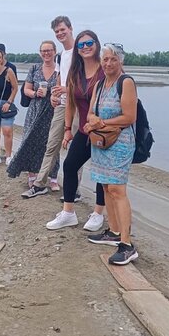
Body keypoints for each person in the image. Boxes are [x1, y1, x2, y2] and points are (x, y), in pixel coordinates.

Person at [45, 30, 107, 231]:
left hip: (104, 132)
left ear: (96, 44)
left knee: (100, 173)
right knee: (70, 165)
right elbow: (71, 101)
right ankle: (68, 213)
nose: (85, 47)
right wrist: (67, 129)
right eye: (81, 45)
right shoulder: (75, 71)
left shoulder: (104, 70)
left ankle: (98, 213)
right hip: (83, 130)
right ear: (77, 50)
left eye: (89, 43)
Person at [85, 43, 138, 265]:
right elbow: (89, 113)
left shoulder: (125, 83)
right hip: (101, 143)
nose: (108, 64)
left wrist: (102, 121)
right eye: (105, 59)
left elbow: (129, 117)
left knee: (117, 189)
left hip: (120, 143)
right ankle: (114, 232)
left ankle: (127, 245)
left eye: (113, 60)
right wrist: (91, 122)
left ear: (120, 62)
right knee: (106, 186)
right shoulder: (99, 84)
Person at [21, 16, 73, 196]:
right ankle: (38, 181)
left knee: (65, 147)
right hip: (47, 107)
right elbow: (28, 87)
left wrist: (60, 91)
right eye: (57, 31)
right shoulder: (41, 66)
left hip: (69, 107)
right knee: (44, 144)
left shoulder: (76, 54)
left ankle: (65, 184)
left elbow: (81, 81)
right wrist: (46, 94)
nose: (46, 53)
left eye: (62, 30)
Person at [6, 40, 59, 183]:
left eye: (49, 50)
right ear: (40, 53)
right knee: (31, 141)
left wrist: (54, 93)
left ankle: (53, 177)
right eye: (43, 51)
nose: (46, 53)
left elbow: (64, 88)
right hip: (35, 109)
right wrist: (36, 93)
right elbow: (26, 89)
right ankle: (32, 175)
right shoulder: (35, 68)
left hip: (52, 110)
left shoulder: (60, 69)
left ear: (55, 51)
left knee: (52, 143)